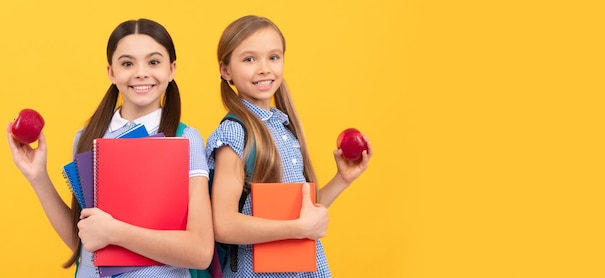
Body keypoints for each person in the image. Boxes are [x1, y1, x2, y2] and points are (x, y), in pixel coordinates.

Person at [6, 18, 214, 277]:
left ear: (172, 69)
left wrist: (115, 231)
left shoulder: (185, 140)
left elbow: (201, 252)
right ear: (111, 72)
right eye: (127, 63)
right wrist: (37, 176)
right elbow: (85, 243)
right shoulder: (87, 137)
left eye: (153, 62)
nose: (140, 72)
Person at [205, 15, 373, 277]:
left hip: (302, 268)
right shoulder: (235, 133)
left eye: (273, 57)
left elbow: (303, 213)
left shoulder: (283, 126)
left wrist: (342, 179)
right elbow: (224, 224)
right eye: (249, 59)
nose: (264, 68)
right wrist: (297, 229)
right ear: (225, 70)